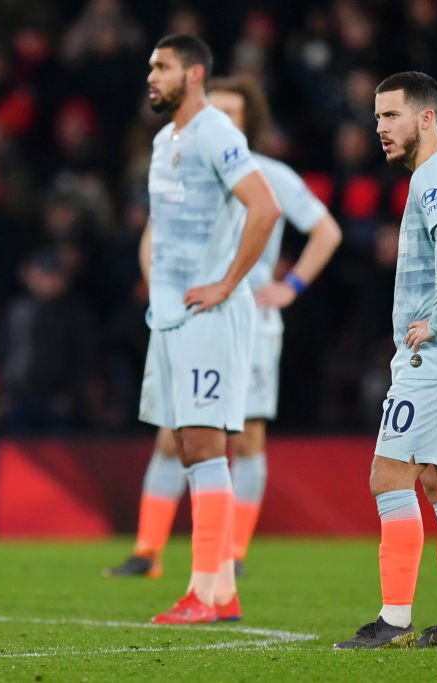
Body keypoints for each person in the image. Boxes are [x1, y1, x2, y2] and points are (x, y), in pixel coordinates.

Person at [105, 76, 342, 581]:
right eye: (217, 111)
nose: (223, 120)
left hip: (250, 320)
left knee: (247, 436)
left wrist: (291, 286)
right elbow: (153, 236)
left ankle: (231, 553)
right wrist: (159, 282)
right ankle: (147, 552)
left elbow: (326, 230)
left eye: (233, 113)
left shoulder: (271, 175)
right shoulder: (188, 172)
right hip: (191, 317)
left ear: (248, 122)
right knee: (174, 434)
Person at [334, 72, 437, 649]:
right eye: (377, 117)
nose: (380, 128)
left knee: (389, 475)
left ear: (425, 118)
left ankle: (394, 620)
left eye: (391, 116)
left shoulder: (431, 178)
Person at [136, 35, 281, 625]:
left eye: (162, 66)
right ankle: (221, 590)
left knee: (204, 442)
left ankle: (203, 591)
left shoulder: (217, 132)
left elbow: (264, 207)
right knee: (189, 443)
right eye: (151, 66)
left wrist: (225, 283)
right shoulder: (163, 139)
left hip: (209, 313)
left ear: (194, 73)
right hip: (171, 314)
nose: (152, 76)